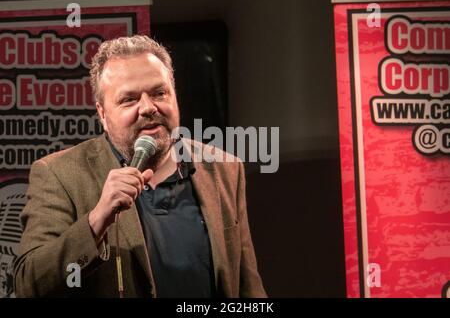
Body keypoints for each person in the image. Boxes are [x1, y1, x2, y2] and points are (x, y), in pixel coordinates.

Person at [13, 35, 266, 298]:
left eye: (159, 93)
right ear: (102, 113)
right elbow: (28, 284)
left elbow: (247, 284)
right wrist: (96, 220)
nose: (148, 107)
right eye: (129, 99)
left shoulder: (224, 168)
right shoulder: (60, 174)